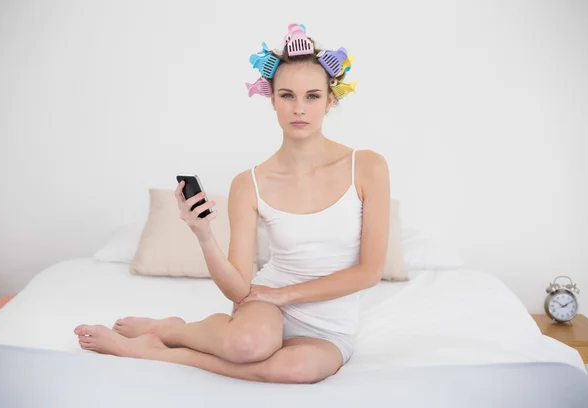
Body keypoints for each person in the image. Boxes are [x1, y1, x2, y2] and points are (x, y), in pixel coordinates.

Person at [73, 23, 390, 384]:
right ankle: (179, 331)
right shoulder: (248, 183)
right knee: (247, 346)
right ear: (271, 99)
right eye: (287, 95)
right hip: (263, 309)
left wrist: (283, 295)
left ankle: (162, 342)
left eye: (312, 96)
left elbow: (369, 272)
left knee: (294, 370)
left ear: (330, 101)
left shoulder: (367, 167)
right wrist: (203, 234)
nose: (299, 108)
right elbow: (240, 289)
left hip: (324, 324)